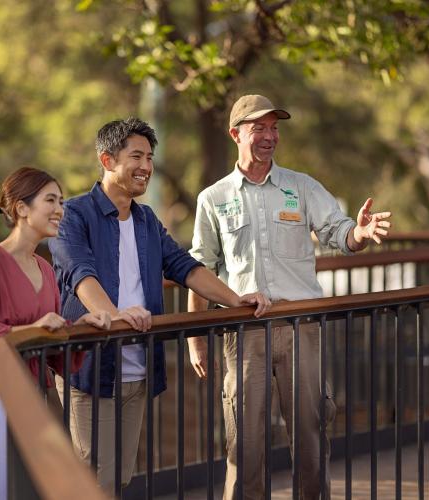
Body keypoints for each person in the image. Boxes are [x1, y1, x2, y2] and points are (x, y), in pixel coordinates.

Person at [48, 117, 271, 492]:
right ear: (106, 160)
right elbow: (79, 273)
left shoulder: (146, 219)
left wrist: (236, 299)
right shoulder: (73, 214)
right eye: (136, 156)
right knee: (94, 477)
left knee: (119, 476)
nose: (147, 167)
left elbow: (185, 267)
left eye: (150, 157)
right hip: (90, 366)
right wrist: (115, 315)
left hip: (137, 366)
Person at [187, 94, 392, 500]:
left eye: (274, 128)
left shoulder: (301, 186)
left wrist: (360, 234)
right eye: (259, 128)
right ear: (236, 134)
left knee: (312, 442)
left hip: (302, 329)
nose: (269, 136)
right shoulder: (213, 198)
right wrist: (195, 339)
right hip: (243, 333)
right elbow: (198, 269)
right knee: (243, 445)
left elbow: (339, 231)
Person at [0, 167, 111, 500]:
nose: (60, 210)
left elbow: (49, 339)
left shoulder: (43, 268)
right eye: (50, 200)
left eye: (62, 201)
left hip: (31, 394)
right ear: (21, 209)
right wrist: (29, 330)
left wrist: (82, 325)